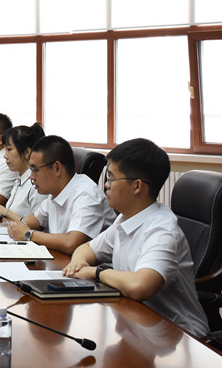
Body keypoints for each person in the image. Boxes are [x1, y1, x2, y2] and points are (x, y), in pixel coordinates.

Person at [62, 138, 209, 336]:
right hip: (137, 322)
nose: (106, 185)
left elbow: (140, 285)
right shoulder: (125, 219)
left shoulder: (162, 231)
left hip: (178, 336)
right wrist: (78, 264)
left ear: (137, 186)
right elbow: (86, 249)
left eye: (112, 178)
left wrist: (96, 273)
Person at [0, 135, 116, 255]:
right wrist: (16, 226)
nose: (31, 177)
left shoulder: (86, 195)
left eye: (35, 170)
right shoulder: (55, 193)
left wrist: (29, 234)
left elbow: (71, 243)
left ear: (57, 168)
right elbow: (33, 221)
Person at [0, 123, 50, 217]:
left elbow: (38, 223)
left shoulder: (36, 184)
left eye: (9, 149)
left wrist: (3, 211)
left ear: (27, 152)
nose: (5, 155)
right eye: (5, 150)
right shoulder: (19, 178)